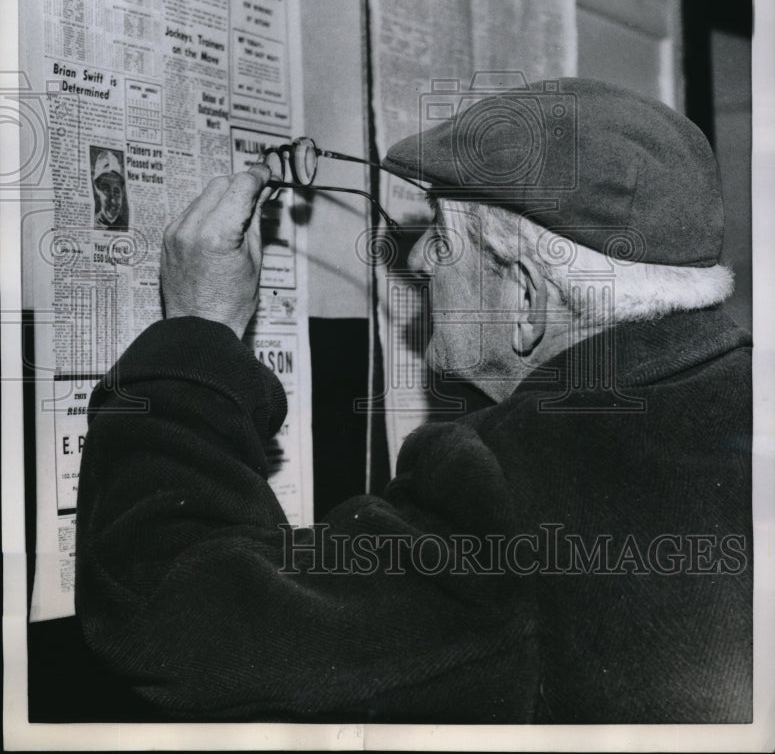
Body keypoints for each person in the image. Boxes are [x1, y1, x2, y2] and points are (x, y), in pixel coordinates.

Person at [75, 79, 751, 724]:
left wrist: (195, 333)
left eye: (440, 231)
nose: (420, 261)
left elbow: (172, 618)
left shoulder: (506, 489)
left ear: (524, 299)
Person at [92, 148, 130, 231]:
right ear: (97, 188)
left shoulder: (127, 227)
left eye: (116, 191)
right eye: (106, 190)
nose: (112, 200)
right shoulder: (90, 223)